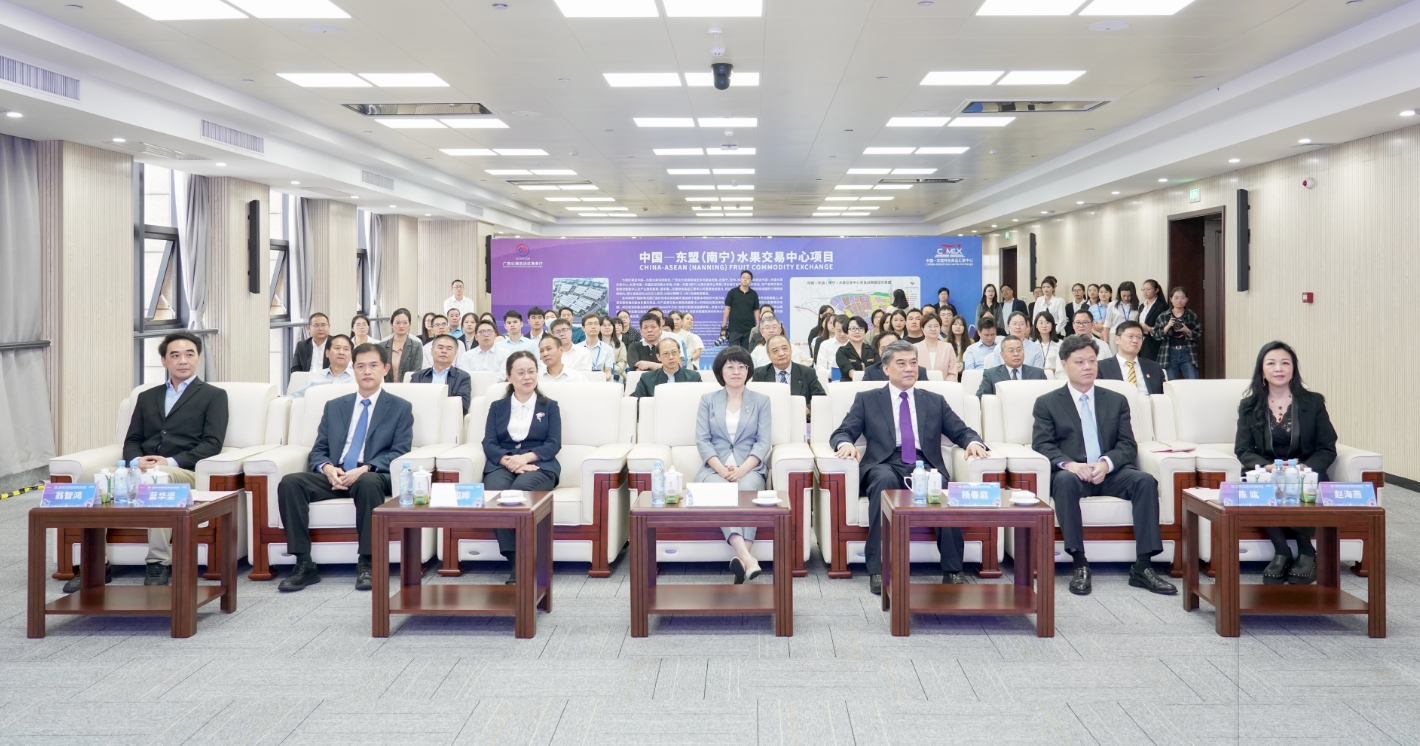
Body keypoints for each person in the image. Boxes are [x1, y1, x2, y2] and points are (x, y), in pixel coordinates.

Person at [68, 332, 228, 592]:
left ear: (198, 358)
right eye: (175, 355)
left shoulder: (214, 395)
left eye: (189, 354)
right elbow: (132, 438)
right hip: (139, 469)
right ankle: (95, 563)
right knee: (91, 478)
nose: (183, 360)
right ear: (164, 361)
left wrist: (168, 462)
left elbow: (212, 443)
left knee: (157, 479)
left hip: (183, 471)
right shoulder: (146, 396)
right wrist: (136, 460)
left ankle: (158, 562)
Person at [831, 340, 991, 595]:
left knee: (942, 489)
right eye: (902, 363)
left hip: (924, 463)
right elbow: (842, 432)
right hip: (884, 463)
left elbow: (961, 431)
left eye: (913, 363)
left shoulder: (934, 400)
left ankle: (953, 570)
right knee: (883, 483)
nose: (909, 368)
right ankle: (879, 569)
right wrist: (845, 444)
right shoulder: (868, 399)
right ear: (886, 369)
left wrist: (973, 443)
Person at [1031, 334, 1176, 597]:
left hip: (1110, 473)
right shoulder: (1047, 402)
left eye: (1092, 361)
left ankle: (1143, 566)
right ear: (1064, 365)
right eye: (1079, 362)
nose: (1087, 367)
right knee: (1063, 481)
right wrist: (1070, 465)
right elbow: (1042, 444)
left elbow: (1127, 444)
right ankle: (1080, 563)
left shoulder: (1116, 399)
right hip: (1073, 474)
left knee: (1144, 481)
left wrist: (1106, 464)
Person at [277, 343, 414, 592]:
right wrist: (327, 468)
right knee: (290, 482)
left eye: (373, 365)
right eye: (360, 366)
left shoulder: (400, 407)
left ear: (385, 369)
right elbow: (319, 448)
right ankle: (304, 563)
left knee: (367, 483)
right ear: (353, 369)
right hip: (336, 473)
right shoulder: (335, 406)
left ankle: (368, 562)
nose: (367, 371)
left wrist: (366, 468)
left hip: (371, 474)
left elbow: (400, 451)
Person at [1234, 341, 1336, 586]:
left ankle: (1306, 551)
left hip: (1305, 471)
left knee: (1296, 482)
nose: (1278, 368)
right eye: (1271, 363)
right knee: (1259, 483)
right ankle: (1281, 550)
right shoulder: (1249, 406)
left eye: (1285, 363)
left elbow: (1327, 447)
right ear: (1262, 371)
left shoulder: (1313, 402)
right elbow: (1243, 449)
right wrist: (1268, 467)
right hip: (1268, 471)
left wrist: (1304, 468)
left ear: (1293, 369)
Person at [483, 350, 563, 584]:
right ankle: (517, 560)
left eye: (531, 371)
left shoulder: (549, 406)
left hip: (539, 465)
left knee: (519, 493)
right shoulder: (497, 406)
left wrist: (525, 458)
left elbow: (553, 443)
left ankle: (524, 562)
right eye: (521, 372)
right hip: (502, 464)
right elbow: (489, 442)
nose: (527, 377)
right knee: (495, 496)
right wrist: (509, 461)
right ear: (509, 376)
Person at [697, 346, 774, 583]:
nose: (736, 371)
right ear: (721, 371)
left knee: (747, 491)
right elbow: (702, 440)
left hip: (749, 467)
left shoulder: (761, 401)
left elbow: (763, 442)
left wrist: (742, 469)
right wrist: (721, 469)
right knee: (720, 491)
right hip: (714, 468)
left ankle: (742, 559)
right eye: (730, 366)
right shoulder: (708, 400)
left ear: (748, 371)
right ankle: (747, 559)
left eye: (742, 366)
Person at [752, 334, 826, 418]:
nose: (781, 353)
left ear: (791, 350)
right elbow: (753, 401)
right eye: (775, 351)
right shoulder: (759, 374)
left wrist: (808, 409)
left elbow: (821, 397)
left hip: (800, 419)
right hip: (770, 420)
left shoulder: (807, 372)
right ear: (768, 355)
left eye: (784, 348)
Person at [1098, 321, 1164, 395]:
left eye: (1139, 337)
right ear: (1117, 339)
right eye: (1130, 336)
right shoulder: (1102, 367)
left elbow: (1163, 396)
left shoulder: (1154, 367)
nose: (1135, 340)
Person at [411, 334, 473, 414]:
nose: (444, 351)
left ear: (455, 354)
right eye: (440, 347)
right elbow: (412, 401)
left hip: (450, 417)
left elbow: (463, 405)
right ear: (431, 351)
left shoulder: (463, 377)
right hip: (422, 415)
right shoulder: (418, 376)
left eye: (449, 349)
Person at [1153, 286, 1202, 380]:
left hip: (1187, 352)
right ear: (1171, 299)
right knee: (1171, 383)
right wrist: (1168, 326)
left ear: (1186, 300)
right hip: (1169, 353)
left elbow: (1199, 334)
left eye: (1182, 298)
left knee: (1193, 381)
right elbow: (1155, 335)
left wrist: (1187, 330)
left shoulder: (1191, 315)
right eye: (1176, 298)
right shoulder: (1164, 316)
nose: (1179, 301)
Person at [976, 335, 1048, 397]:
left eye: (1019, 350)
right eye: (1011, 351)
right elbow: (981, 399)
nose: (1016, 354)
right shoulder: (991, 375)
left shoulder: (1038, 374)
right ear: (1002, 355)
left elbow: (1046, 399)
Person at [632, 337, 702, 397]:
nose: (671, 357)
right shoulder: (647, 378)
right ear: (658, 357)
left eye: (674, 352)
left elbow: (702, 401)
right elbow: (635, 401)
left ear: (679, 353)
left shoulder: (694, 377)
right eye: (666, 353)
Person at [862, 332, 928, 382]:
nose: (888, 351)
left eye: (893, 347)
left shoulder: (919, 371)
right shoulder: (870, 371)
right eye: (884, 348)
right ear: (878, 350)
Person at [381, 308, 422, 384]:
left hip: (408, 387)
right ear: (391, 324)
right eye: (398, 323)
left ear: (410, 325)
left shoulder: (416, 346)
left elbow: (416, 371)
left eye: (405, 323)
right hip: (386, 387)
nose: (401, 326)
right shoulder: (382, 346)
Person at [722, 269, 760, 349]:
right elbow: (727, 308)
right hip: (734, 328)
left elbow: (756, 310)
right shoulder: (732, 292)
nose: (745, 279)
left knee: (746, 352)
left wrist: (758, 326)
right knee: (732, 352)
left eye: (748, 278)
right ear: (740, 279)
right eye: (743, 277)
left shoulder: (753, 294)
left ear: (751, 281)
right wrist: (724, 326)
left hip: (748, 329)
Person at [914, 315, 958, 382]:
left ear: (940, 328)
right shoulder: (914, 348)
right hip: (920, 386)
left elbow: (953, 373)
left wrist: (944, 385)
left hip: (944, 386)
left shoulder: (948, 347)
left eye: (936, 326)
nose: (933, 329)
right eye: (929, 326)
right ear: (922, 329)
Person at [576, 314, 614, 381]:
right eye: (590, 324)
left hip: (601, 383)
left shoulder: (608, 349)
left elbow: (608, 372)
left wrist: (596, 379)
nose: (593, 327)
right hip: (582, 383)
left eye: (596, 324)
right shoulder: (577, 348)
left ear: (600, 327)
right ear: (583, 328)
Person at [1138, 279, 1167, 361]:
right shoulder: (1142, 306)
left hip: (1154, 342)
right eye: (1143, 289)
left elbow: (1164, 327)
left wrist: (1149, 329)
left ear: (1156, 290)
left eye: (1148, 289)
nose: (1145, 291)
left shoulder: (1161, 306)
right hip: (1141, 340)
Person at [815, 314, 848, 381]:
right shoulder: (825, 344)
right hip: (831, 380)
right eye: (839, 331)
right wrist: (832, 374)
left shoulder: (854, 344)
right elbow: (820, 367)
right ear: (834, 328)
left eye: (845, 331)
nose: (842, 334)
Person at [1032, 312, 1064, 379]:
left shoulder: (1060, 344)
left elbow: (1065, 365)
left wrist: (1055, 369)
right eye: (1041, 323)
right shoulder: (1032, 345)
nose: (1044, 325)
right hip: (1036, 379)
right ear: (1036, 325)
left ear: (1052, 325)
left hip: (1055, 378)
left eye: (1047, 322)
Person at [599, 315, 628, 381]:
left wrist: (608, 368)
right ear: (599, 328)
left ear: (613, 327)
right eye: (604, 325)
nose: (607, 327)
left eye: (609, 325)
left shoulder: (620, 344)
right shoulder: (596, 344)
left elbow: (622, 363)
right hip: (597, 375)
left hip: (616, 375)